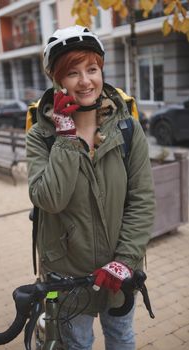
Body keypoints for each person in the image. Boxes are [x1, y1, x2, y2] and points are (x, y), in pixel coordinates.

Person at [26, 25, 155, 350]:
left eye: (92, 69)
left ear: (101, 70)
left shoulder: (127, 128)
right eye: (72, 72)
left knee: (122, 338)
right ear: (58, 80)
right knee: (77, 344)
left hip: (118, 269)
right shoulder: (41, 136)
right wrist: (66, 138)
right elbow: (49, 199)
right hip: (68, 275)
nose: (85, 81)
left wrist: (125, 259)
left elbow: (142, 201)